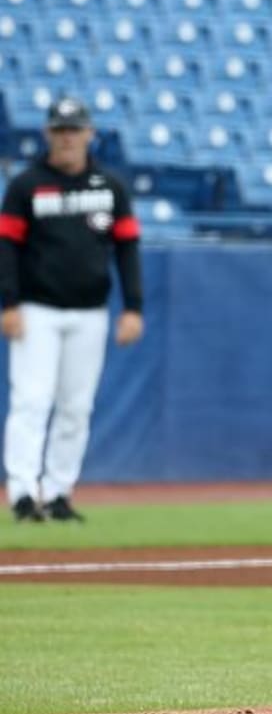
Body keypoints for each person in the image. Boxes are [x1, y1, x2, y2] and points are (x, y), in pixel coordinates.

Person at [0, 97, 144, 523]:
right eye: (59, 130)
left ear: (89, 134)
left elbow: (127, 247)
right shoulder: (27, 185)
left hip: (90, 312)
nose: (66, 138)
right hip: (37, 310)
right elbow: (6, 248)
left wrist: (133, 306)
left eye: (73, 130)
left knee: (76, 406)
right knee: (31, 400)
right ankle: (24, 493)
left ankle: (60, 490)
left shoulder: (109, 186)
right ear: (47, 135)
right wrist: (7, 302)